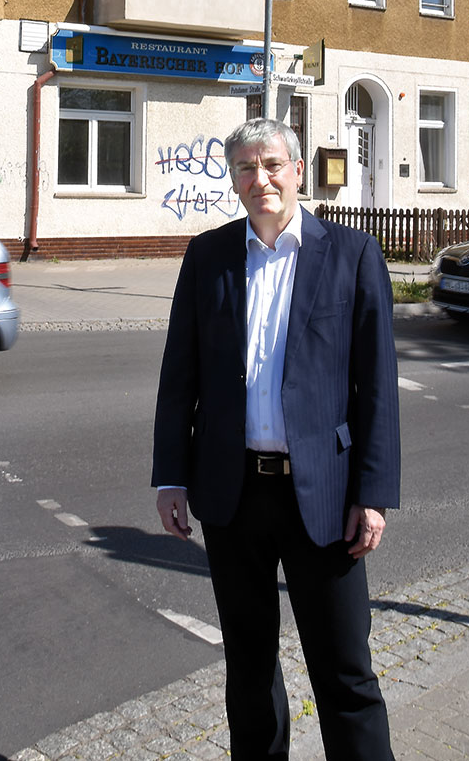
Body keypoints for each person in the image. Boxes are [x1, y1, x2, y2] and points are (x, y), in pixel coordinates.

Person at [153, 118, 400, 760]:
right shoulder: (207, 256)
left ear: (296, 170)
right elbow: (181, 375)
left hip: (325, 497)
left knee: (345, 670)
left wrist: (372, 493)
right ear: (232, 178)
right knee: (250, 667)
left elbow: (376, 387)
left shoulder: (350, 254)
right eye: (244, 168)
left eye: (271, 165)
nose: (259, 179)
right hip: (233, 497)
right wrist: (171, 475)